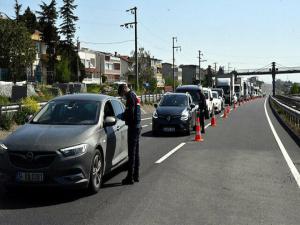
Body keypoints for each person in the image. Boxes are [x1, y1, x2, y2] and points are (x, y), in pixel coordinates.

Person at [118, 83, 141, 185]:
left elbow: (130, 113)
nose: (123, 97)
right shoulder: (134, 95)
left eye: (122, 94)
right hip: (137, 126)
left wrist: (122, 117)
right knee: (135, 152)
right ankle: (136, 175)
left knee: (132, 153)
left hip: (133, 127)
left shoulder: (130, 97)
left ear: (123, 90)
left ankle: (130, 177)